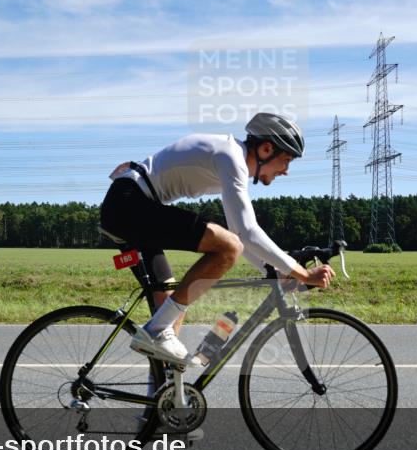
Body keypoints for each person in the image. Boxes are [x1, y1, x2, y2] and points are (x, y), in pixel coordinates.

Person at [99, 112, 335, 366]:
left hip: (134, 206)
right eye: (286, 160)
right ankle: (155, 333)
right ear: (267, 149)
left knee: (173, 304)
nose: (286, 171)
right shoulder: (230, 156)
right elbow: (245, 232)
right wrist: (301, 272)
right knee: (223, 251)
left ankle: (162, 397)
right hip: (129, 204)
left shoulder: (231, 162)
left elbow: (238, 231)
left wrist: (273, 271)